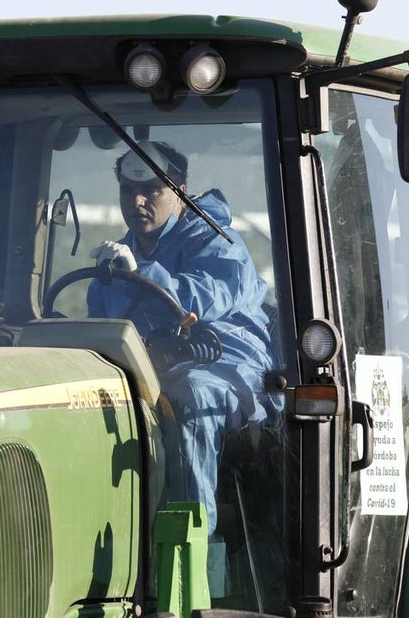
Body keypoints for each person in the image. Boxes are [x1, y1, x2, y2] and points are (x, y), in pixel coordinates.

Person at [87, 139, 278, 536]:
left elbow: (206, 297)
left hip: (227, 366)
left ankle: (191, 554)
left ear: (179, 193)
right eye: (128, 190)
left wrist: (141, 272)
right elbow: (102, 324)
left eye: (151, 190)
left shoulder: (216, 240)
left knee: (189, 394)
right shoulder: (118, 256)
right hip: (151, 366)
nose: (137, 200)